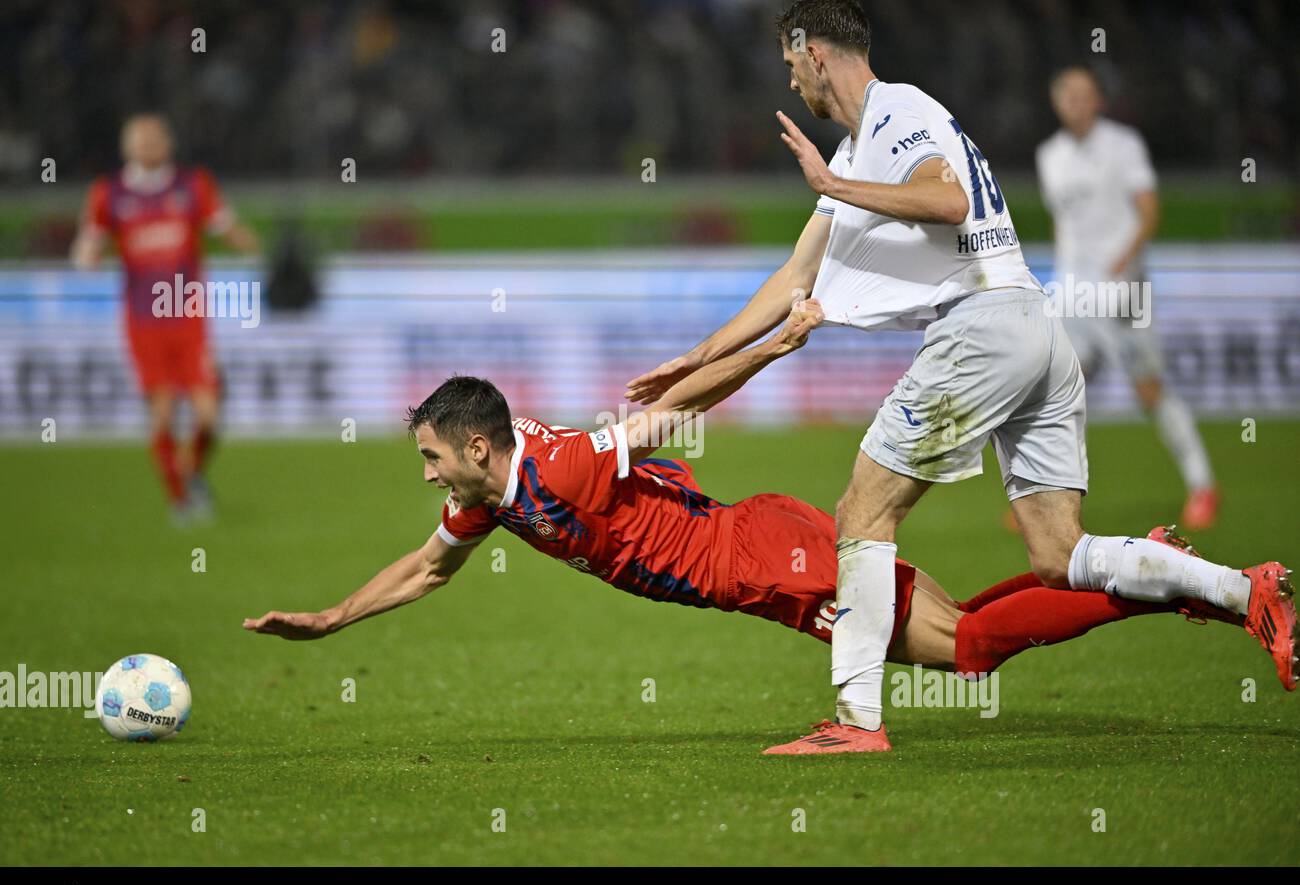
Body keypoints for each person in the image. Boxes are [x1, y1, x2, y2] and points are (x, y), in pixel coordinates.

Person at [625, 1, 1294, 753]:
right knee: (1058, 555)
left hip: (983, 327)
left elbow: (949, 200)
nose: (789, 80)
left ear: (814, 53)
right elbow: (795, 276)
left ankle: (855, 724)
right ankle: (1244, 591)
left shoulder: (893, 115)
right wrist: (700, 353)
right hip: (1031, 327)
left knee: (861, 514)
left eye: (789, 63)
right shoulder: (856, 150)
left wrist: (835, 185)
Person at [243, 306, 1294, 754]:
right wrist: (331, 616)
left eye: (432, 455)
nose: (427, 476)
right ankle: (1163, 577)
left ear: (476, 444)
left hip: (762, 553)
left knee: (964, 651)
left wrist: (777, 344)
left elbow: (677, 407)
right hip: (760, 560)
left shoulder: (557, 459)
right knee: (965, 626)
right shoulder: (488, 496)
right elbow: (429, 569)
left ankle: (1202, 588)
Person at [1037, 65, 1218, 530]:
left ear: (1098, 99)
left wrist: (1123, 267)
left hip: (1124, 290)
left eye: (1085, 93)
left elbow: (1149, 212)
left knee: (1148, 388)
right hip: (1074, 293)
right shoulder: (1050, 155)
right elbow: (1064, 223)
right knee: (1059, 390)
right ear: (1057, 103)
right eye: (1067, 95)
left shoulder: (1124, 146)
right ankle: (1046, 499)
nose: (1076, 102)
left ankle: (1202, 486)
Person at [71, 113, 259, 523]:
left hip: (189, 317)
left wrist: (254, 248)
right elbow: (88, 245)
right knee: (162, 411)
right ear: (127, 146)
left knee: (208, 413)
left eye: (155, 137)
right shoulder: (109, 193)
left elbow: (226, 226)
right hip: (143, 321)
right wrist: (86, 256)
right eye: (140, 139)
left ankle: (189, 471)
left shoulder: (193, 186)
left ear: (169, 143)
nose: (149, 145)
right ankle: (180, 502)